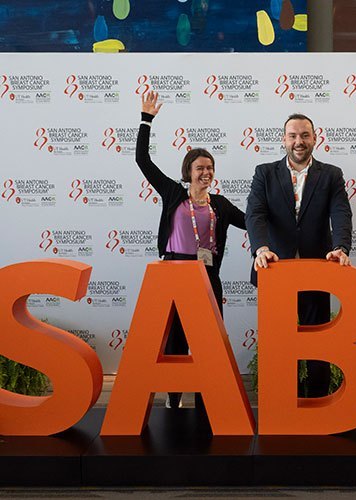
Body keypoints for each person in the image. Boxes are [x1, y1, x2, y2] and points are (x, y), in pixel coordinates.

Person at [136, 91, 246, 409]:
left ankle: (206, 398)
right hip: (173, 271)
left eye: (210, 167)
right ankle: (173, 399)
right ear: (188, 171)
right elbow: (142, 160)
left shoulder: (220, 204)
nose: (205, 172)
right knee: (175, 339)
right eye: (199, 168)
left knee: (208, 340)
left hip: (207, 275)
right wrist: (146, 119)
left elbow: (250, 223)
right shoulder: (173, 192)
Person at [245, 113, 353, 397]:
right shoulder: (264, 173)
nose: (299, 141)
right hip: (274, 269)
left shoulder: (331, 175)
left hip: (315, 270)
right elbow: (255, 214)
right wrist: (261, 248)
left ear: (315, 138)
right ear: (284, 139)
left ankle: (318, 402)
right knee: (279, 342)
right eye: (292, 135)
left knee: (317, 341)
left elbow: (340, 212)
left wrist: (341, 246)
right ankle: (283, 400)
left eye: (305, 135)